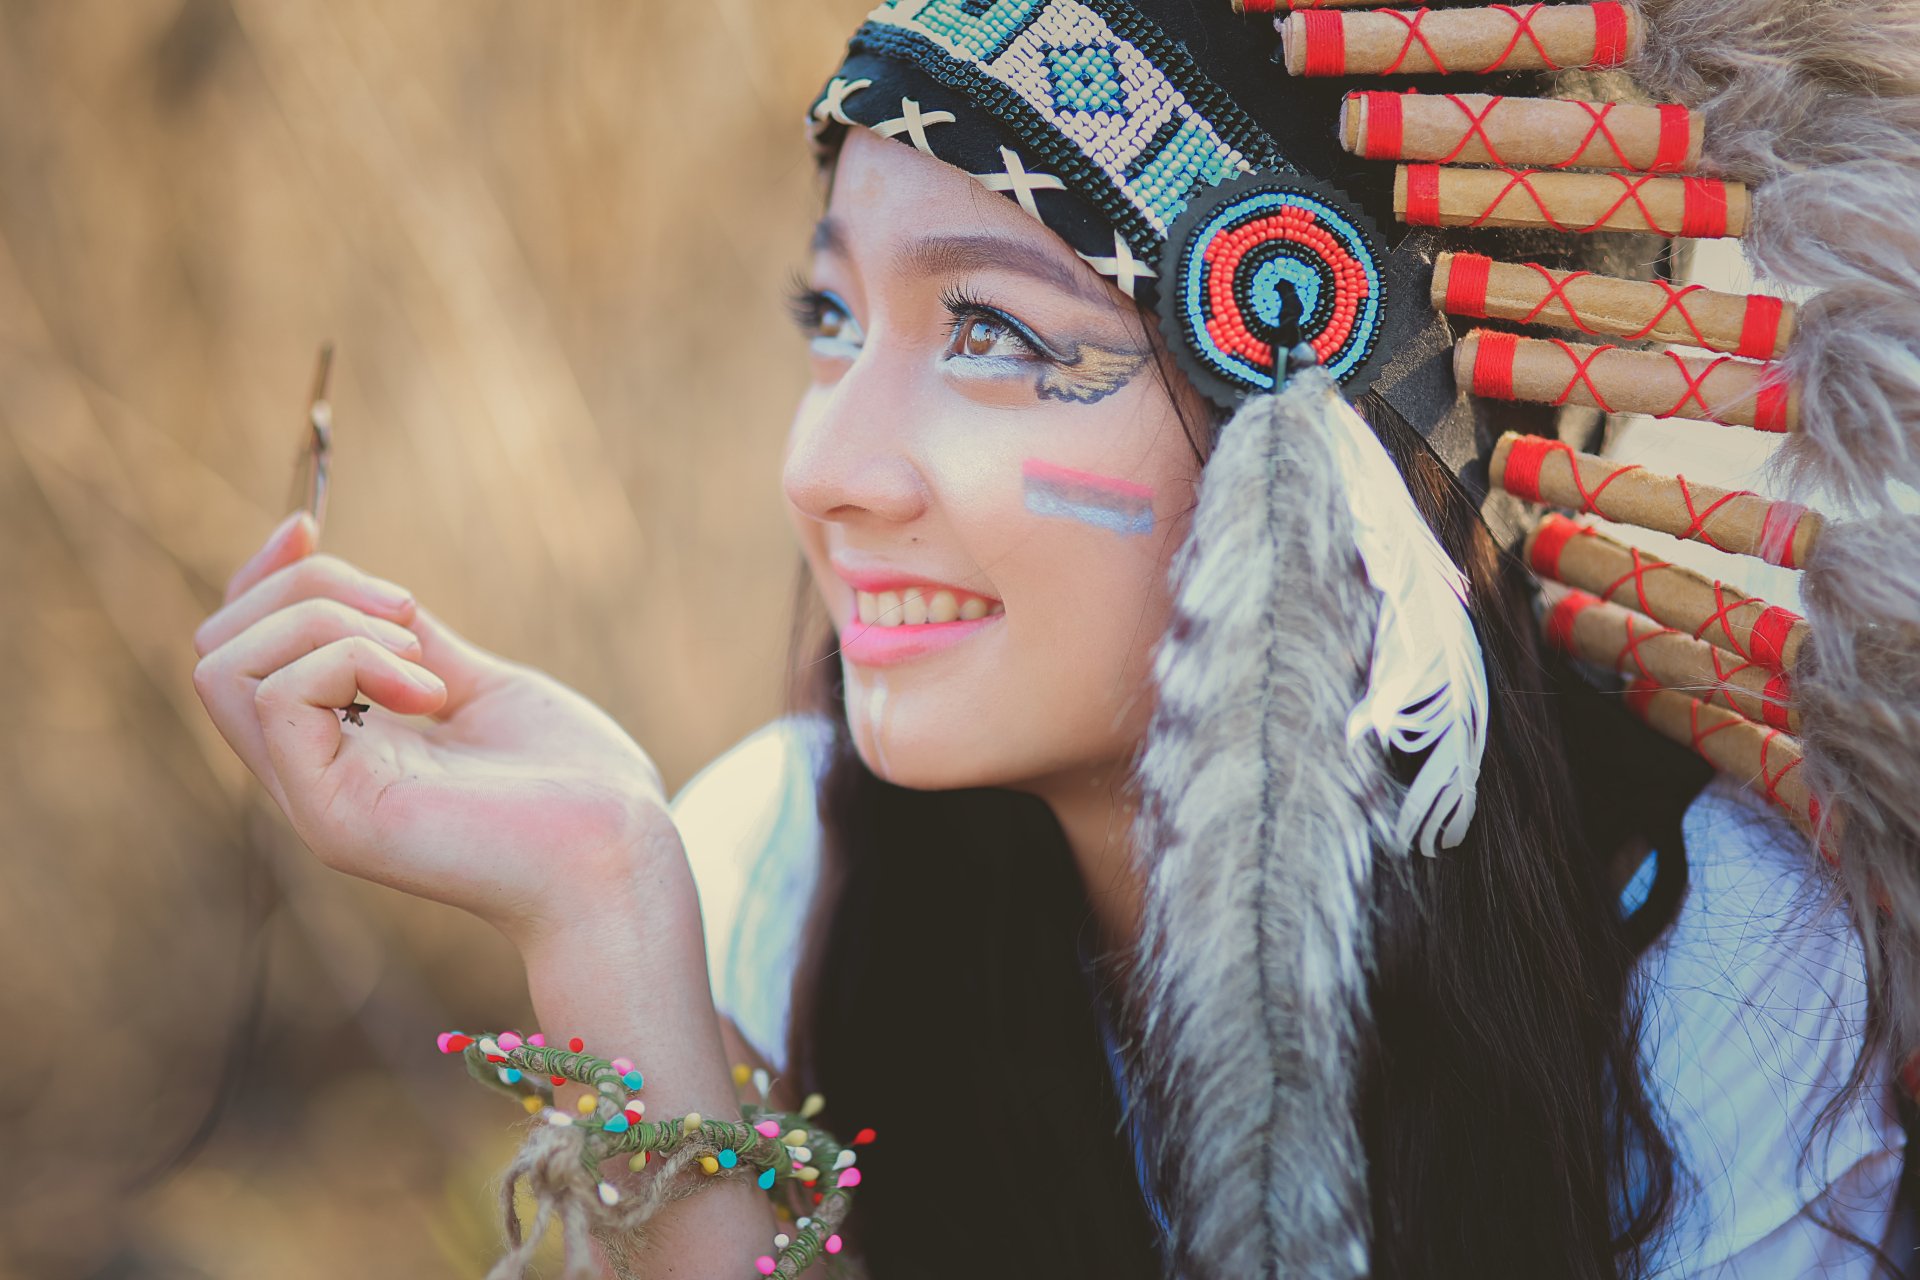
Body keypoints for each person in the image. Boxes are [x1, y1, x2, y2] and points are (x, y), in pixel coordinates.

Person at [192, 0, 1919, 1275]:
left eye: (1003, 338)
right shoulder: (763, 874)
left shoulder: (1718, 984)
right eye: (831, 315)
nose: (826, 471)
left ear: (1338, 446)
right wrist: (609, 911)